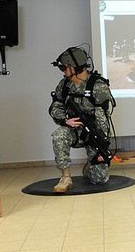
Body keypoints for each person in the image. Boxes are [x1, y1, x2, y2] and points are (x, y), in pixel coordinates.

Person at [49, 46, 114, 192]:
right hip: (74, 130)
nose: (63, 72)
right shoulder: (64, 85)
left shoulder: (98, 85)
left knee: (99, 179)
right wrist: (64, 120)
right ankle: (65, 177)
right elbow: (56, 107)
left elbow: (102, 118)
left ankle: (90, 166)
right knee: (59, 135)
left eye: (64, 68)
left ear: (76, 67)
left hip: (94, 133)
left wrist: (101, 145)